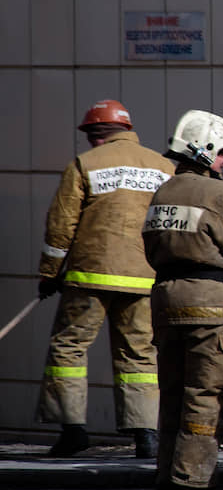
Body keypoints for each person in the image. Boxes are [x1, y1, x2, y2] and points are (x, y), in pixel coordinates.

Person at [142, 110, 223, 490]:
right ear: (203, 151)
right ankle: (194, 476)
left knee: (174, 391)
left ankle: (168, 473)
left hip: (166, 298)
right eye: (222, 154)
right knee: (207, 393)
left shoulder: (163, 192)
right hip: (211, 303)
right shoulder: (219, 194)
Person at [36, 99, 173, 458]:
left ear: (96, 135)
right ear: (128, 130)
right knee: (140, 356)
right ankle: (146, 435)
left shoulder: (84, 164)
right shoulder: (162, 167)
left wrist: (49, 274)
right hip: (144, 278)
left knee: (69, 346)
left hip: (89, 277)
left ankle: (73, 430)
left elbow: (61, 226)